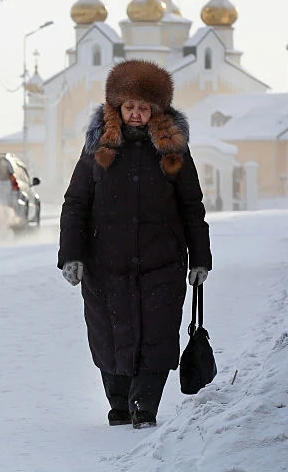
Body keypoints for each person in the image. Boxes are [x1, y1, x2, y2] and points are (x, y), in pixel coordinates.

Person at [58, 59, 212, 429]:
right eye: (130, 107)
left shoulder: (172, 150)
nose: (137, 115)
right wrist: (71, 256)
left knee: (157, 335)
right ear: (116, 106)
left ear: (157, 109)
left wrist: (199, 257)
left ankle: (145, 406)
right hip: (105, 262)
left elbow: (192, 205)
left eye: (144, 108)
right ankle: (119, 404)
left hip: (162, 262)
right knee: (110, 334)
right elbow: (75, 203)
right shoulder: (98, 149)